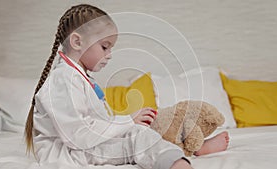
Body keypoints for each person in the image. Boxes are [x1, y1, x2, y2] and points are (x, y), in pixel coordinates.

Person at [24, 4, 227, 169]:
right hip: (70, 154)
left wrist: (126, 123)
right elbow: (77, 135)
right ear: (77, 42)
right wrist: (127, 122)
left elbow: (94, 123)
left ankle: (191, 146)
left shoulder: (77, 76)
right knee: (137, 137)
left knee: (145, 130)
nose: (110, 54)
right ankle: (178, 162)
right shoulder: (63, 80)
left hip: (83, 145)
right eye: (105, 46)